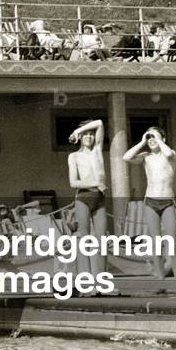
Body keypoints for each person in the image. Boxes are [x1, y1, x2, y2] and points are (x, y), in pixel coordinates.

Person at [123, 126, 176, 278]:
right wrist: (142, 142)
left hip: (167, 200)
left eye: (155, 136)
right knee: (155, 244)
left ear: (163, 139)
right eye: (150, 137)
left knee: (172, 243)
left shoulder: (170, 154)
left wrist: (158, 139)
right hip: (150, 201)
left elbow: (167, 152)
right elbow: (126, 157)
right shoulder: (145, 156)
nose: (152, 140)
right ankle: (161, 280)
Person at [67, 118, 107, 275]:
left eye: (91, 134)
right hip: (83, 197)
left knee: (101, 240)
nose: (89, 137)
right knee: (84, 239)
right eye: (85, 134)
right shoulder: (74, 156)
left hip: (99, 198)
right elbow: (73, 183)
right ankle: (85, 279)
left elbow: (100, 123)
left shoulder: (97, 150)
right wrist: (96, 182)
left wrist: (77, 130)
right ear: (80, 138)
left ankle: (102, 279)